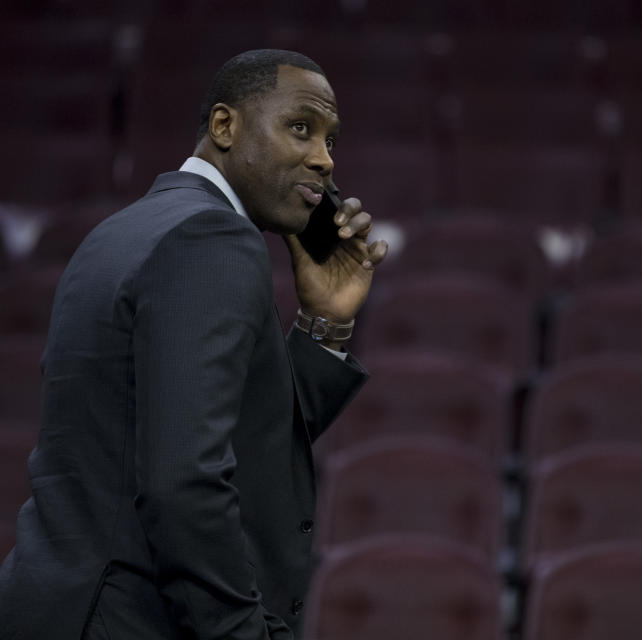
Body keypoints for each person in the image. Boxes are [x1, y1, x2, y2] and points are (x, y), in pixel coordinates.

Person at [0, 49, 387, 639]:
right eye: (301, 128)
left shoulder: (122, 229)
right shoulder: (215, 237)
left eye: (332, 140)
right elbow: (183, 483)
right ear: (224, 126)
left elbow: (230, 434)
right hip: (130, 619)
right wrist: (239, 630)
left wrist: (324, 322)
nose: (324, 160)